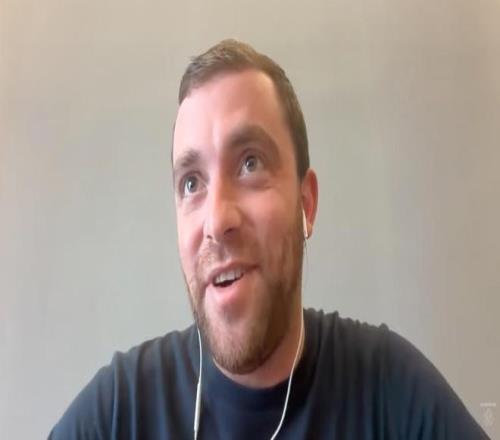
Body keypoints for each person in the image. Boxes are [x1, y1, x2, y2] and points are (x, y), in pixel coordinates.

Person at [49, 39, 488, 439]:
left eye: (250, 163)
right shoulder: (119, 413)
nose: (217, 220)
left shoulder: (391, 394)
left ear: (306, 204)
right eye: (191, 183)